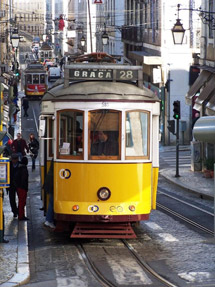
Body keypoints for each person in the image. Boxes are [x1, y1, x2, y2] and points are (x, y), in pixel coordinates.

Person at [43, 160, 55, 229]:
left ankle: (48, 220)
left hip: (49, 185)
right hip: (51, 186)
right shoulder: (53, 172)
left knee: (51, 202)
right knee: (52, 203)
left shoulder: (51, 171)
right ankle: (49, 220)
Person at [8, 153, 20, 218]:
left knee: (20, 199)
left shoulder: (20, 165)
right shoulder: (9, 164)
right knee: (12, 199)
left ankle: (18, 211)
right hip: (11, 185)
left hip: (18, 184)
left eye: (15, 159)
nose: (14, 161)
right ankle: (14, 211)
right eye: (13, 159)